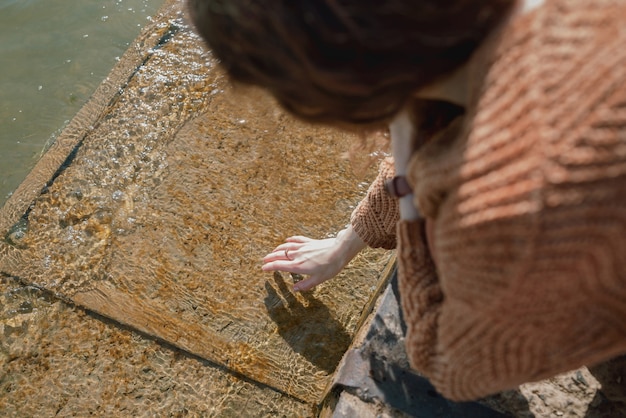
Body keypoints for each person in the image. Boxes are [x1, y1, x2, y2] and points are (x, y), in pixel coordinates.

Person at [187, 0, 626, 402]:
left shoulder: (510, 209)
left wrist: (410, 199)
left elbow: (452, 365)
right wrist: (347, 242)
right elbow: (437, 115)